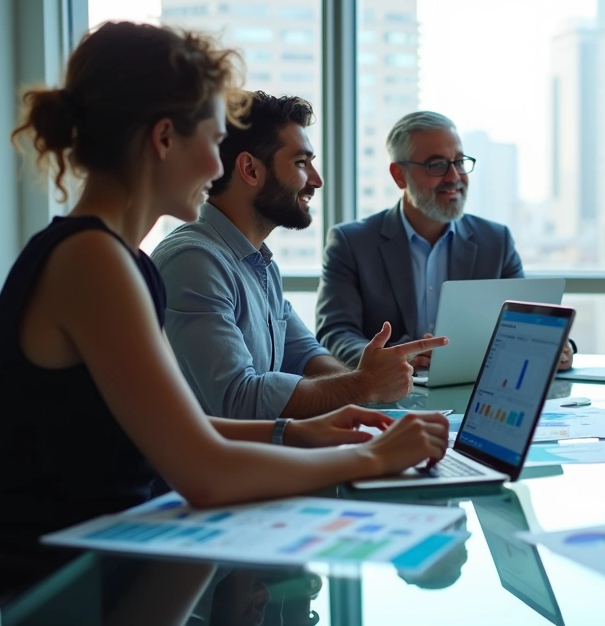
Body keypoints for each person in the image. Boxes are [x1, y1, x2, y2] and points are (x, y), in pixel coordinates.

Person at [0, 23, 449, 600]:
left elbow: (165, 430)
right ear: (164, 138)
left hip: (109, 561)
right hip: (59, 587)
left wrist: (298, 431)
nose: (217, 165)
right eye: (214, 139)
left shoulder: (117, 259)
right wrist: (372, 457)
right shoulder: (94, 261)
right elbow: (204, 472)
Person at [152, 93, 446, 420]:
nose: (316, 179)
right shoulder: (195, 261)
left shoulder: (259, 263)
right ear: (250, 169)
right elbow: (237, 399)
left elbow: (304, 354)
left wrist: (363, 379)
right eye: (301, 163)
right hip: (212, 470)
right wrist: (364, 384)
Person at [315, 111, 573, 371]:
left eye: (459, 162)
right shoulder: (351, 243)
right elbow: (335, 332)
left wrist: (559, 346)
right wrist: (395, 357)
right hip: (387, 396)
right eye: (436, 165)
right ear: (399, 175)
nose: (454, 177)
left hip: (474, 391)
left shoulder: (496, 241)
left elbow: (526, 322)